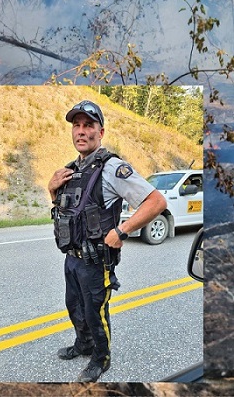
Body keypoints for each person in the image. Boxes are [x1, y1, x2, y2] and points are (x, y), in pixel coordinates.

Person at [47, 100, 167, 382]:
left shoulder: (112, 168)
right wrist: (51, 191)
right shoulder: (69, 170)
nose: (81, 131)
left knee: (95, 311)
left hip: (95, 260)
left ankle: (102, 358)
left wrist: (122, 231)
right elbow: (67, 213)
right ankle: (84, 344)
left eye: (88, 125)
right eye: (76, 125)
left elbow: (156, 201)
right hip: (72, 259)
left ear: (101, 132)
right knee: (74, 306)